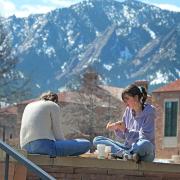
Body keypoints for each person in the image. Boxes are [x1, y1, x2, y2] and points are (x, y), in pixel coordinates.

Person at [93, 84, 156, 162]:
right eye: (124, 101)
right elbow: (125, 136)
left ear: (136, 97)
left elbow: (145, 138)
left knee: (145, 144)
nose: (126, 103)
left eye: (127, 99)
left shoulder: (149, 112)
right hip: (127, 148)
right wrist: (117, 128)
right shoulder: (128, 111)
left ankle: (126, 154)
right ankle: (126, 155)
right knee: (98, 140)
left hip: (143, 151)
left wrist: (125, 130)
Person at [20, 92, 91, 157]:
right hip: (44, 147)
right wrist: (66, 145)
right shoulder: (53, 105)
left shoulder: (29, 105)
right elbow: (58, 135)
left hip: (25, 148)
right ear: (55, 101)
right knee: (86, 143)